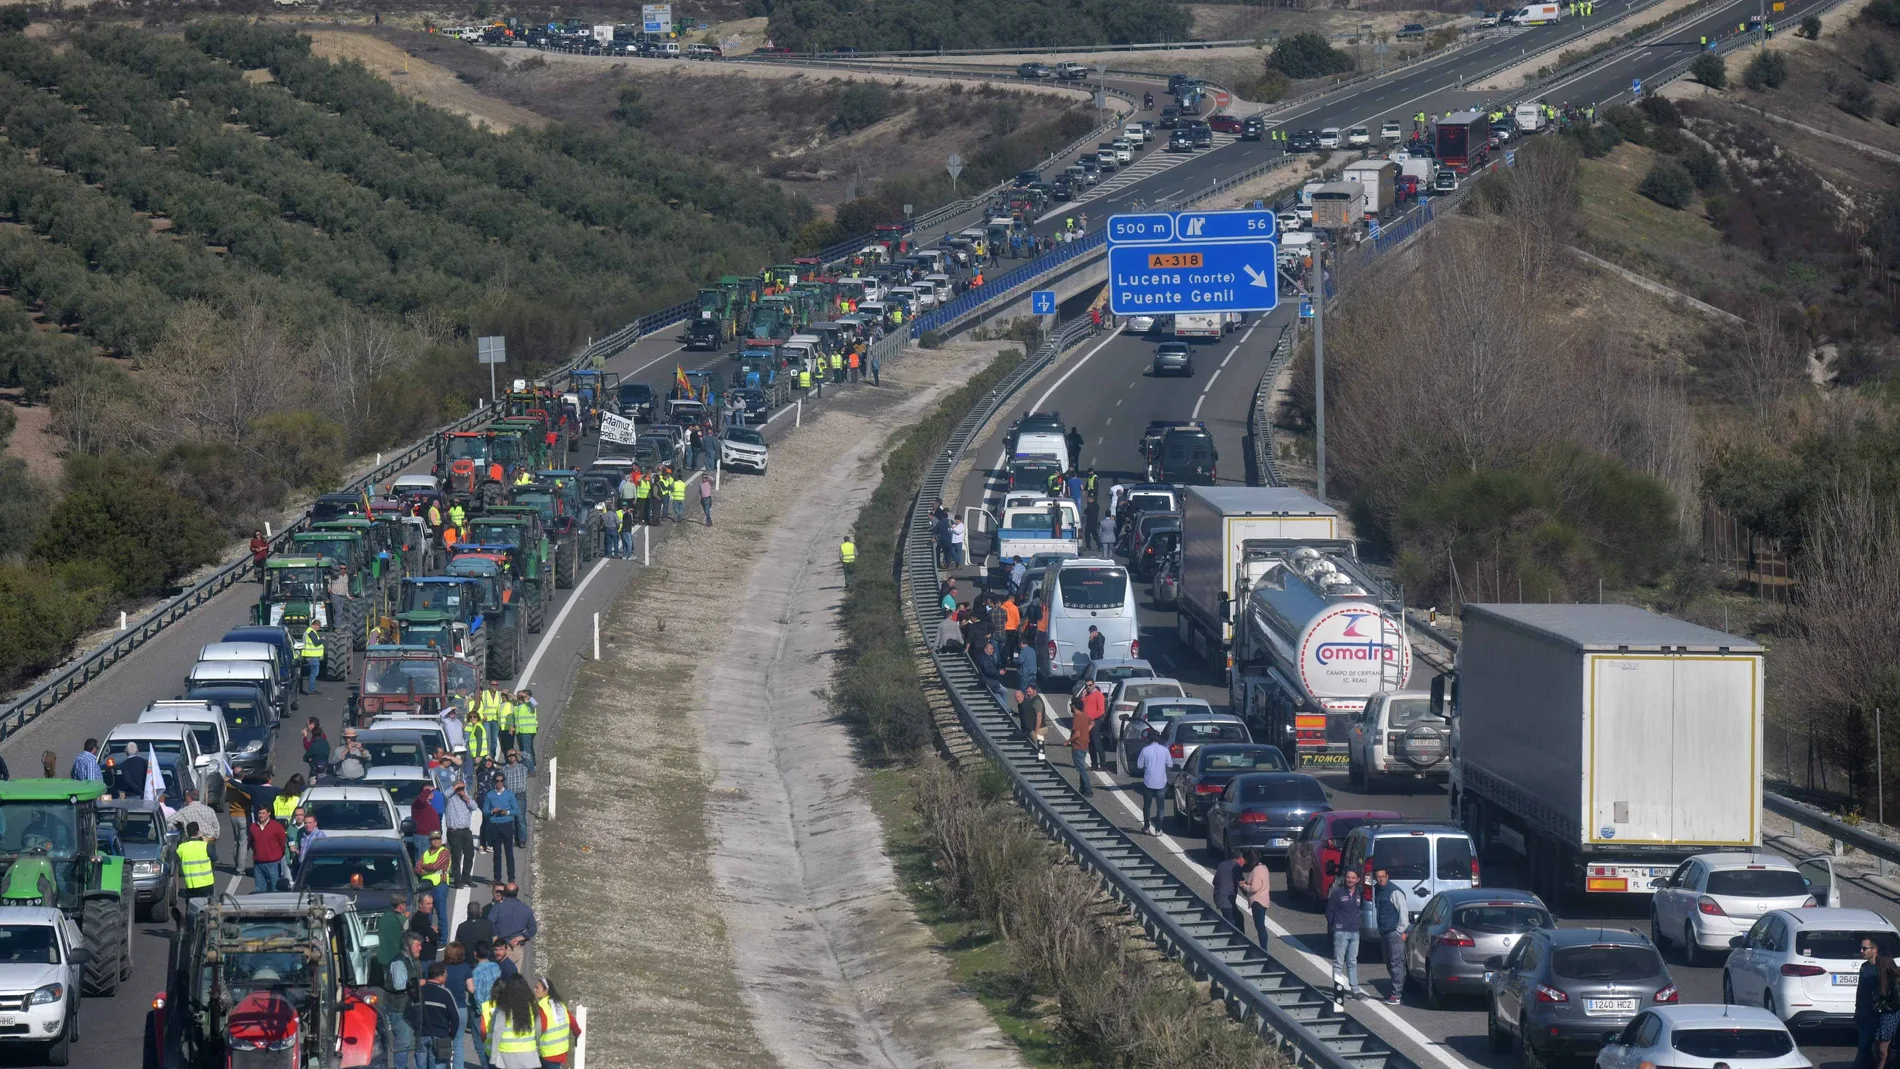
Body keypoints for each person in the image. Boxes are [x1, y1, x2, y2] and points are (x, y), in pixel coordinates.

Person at [481, 975, 542, 1069]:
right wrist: (537, 1048)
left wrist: (493, 1057)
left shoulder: (504, 1008)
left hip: (507, 1056)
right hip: (529, 1055)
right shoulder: (532, 1006)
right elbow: (538, 1029)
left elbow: (497, 1031)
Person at [1325, 868, 1365, 999]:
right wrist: (1335, 926)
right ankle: (1338, 992)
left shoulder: (1359, 894)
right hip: (1341, 932)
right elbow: (1329, 911)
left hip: (1354, 932)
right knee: (1338, 963)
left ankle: (1355, 990)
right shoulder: (1337, 893)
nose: (1350, 880)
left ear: (1358, 880)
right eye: (1348, 877)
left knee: (1352, 962)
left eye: (1353, 878)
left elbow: (1360, 911)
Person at [416, 961, 462, 1069]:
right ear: (439, 977)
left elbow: (411, 1013)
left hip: (421, 1035)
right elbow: (455, 1017)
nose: (446, 977)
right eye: (445, 975)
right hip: (440, 1037)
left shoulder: (419, 992)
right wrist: (451, 1035)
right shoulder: (445, 993)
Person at [1374, 866, 1408, 1005]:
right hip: (1384, 933)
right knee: (1389, 962)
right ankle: (1397, 988)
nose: (1381, 879)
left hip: (1394, 933)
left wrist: (1400, 931)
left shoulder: (1394, 892)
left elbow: (1403, 912)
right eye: (1378, 877)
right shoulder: (1378, 890)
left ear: (1387, 876)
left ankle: (1396, 994)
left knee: (1396, 963)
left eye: (1383, 876)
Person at [488, 883, 539, 970]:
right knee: (514, 979)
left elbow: (489, 923)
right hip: (516, 947)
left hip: (500, 947)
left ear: (505, 893)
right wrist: (520, 938)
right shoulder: (526, 909)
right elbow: (533, 929)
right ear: (516, 893)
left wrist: (495, 937)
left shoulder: (497, 908)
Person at [533, 976, 579, 1066]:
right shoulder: (560, 1004)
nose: (534, 990)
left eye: (537, 988)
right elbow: (572, 1022)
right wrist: (577, 1033)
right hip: (562, 1051)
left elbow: (540, 1029)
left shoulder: (542, 1007)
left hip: (548, 1053)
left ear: (545, 991)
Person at [482, 773, 519, 885]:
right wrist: (492, 811)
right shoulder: (490, 795)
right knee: (497, 854)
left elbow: (516, 810)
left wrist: (506, 812)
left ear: (504, 782)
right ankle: (497, 878)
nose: (499, 783)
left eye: (501, 781)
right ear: (494, 782)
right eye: (497, 781)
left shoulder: (509, 794)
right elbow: (484, 811)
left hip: (506, 824)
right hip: (495, 825)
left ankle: (511, 878)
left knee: (509, 853)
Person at [172, 790, 222, 867]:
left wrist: (180, 826)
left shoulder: (184, 811)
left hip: (194, 841)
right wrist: (215, 837)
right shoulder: (209, 809)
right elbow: (216, 826)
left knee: (195, 865)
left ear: (189, 798)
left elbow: (170, 820)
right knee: (209, 866)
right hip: (209, 840)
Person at [176, 823, 214, 920]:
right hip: (206, 883)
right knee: (208, 908)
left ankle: (190, 930)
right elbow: (215, 858)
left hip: (191, 885)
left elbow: (177, 863)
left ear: (187, 833)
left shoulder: (182, 848)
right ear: (198, 832)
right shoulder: (205, 846)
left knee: (190, 908)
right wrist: (205, 842)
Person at [1135, 729, 1170, 834]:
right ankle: (1158, 829)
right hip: (1161, 782)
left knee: (1147, 805)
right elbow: (1170, 764)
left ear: (1149, 739)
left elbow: (1139, 765)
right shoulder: (1165, 750)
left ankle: (1146, 827)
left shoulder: (1145, 750)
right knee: (1160, 807)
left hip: (1148, 781)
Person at [445, 783, 478, 888]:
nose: (460, 790)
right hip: (454, 831)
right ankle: (457, 880)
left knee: (469, 854)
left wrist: (465, 797)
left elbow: (474, 806)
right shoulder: (450, 798)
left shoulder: (467, 798)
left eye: (462, 788)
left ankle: (466, 878)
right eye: (458, 789)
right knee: (456, 856)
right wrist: (455, 787)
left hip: (466, 831)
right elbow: (445, 794)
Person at [249, 806, 289, 894]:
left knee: (275, 889)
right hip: (258, 864)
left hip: (273, 863)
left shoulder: (277, 827)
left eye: (263, 813)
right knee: (259, 890)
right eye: (259, 813)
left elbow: (282, 843)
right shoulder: (253, 827)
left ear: (269, 813)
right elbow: (252, 843)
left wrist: (276, 855)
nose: (261, 815)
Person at [1858, 938, 1884, 1069]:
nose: (1861, 951)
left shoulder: (1882, 967)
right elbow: (1860, 989)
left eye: (1864, 948)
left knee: (1880, 1046)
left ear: (1874, 950)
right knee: (1863, 1043)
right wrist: (1857, 1009)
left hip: (1879, 1011)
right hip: (1864, 1011)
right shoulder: (1864, 967)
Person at [1212, 846, 1247, 933]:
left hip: (1218, 897)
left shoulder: (1223, 864)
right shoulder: (1236, 867)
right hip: (1227, 901)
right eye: (1244, 860)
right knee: (1231, 923)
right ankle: (1236, 943)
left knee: (1238, 918)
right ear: (1240, 858)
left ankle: (1240, 941)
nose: (1245, 862)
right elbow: (1242, 885)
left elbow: (1214, 881)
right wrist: (1251, 896)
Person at [1068, 693, 1095, 796]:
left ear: (1074, 706)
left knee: (1080, 768)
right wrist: (1086, 731)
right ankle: (1082, 787)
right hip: (1085, 745)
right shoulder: (1085, 715)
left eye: (1071, 705)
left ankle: (1088, 789)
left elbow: (1077, 733)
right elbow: (1092, 723)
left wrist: (1068, 741)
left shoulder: (1077, 718)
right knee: (1081, 766)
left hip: (1078, 746)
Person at [411, 890, 443, 964]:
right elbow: (435, 937)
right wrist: (436, 933)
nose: (431, 906)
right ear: (420, 904)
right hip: (426, 957)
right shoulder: (422, 919)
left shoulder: (422, 917)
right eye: (428, 904)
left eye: (432, 903)